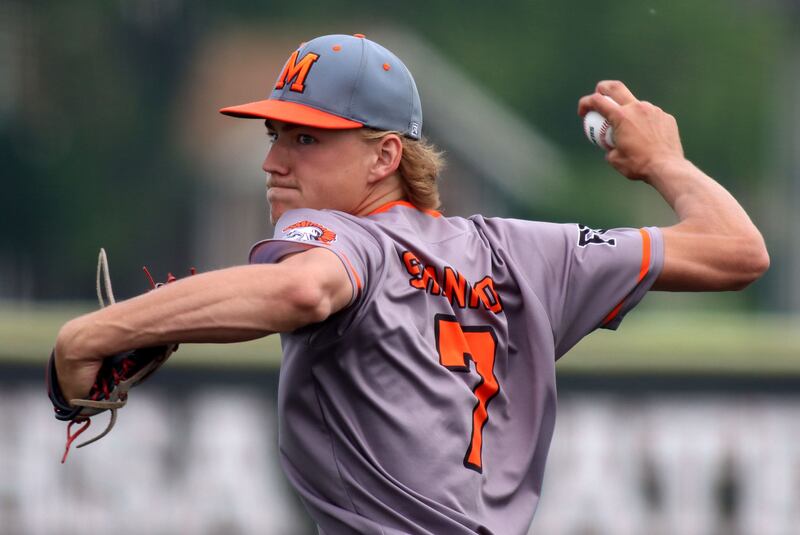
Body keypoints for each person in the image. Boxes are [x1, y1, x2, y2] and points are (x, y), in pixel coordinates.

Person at [53, 33, 769, 534]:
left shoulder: (342, 235)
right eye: (274, 133)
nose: (274, 159)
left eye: (306, 138)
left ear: (384, 156)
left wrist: (97, 330)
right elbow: (736, 249)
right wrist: (664, 164)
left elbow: (304, 291)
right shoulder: (525, 252)